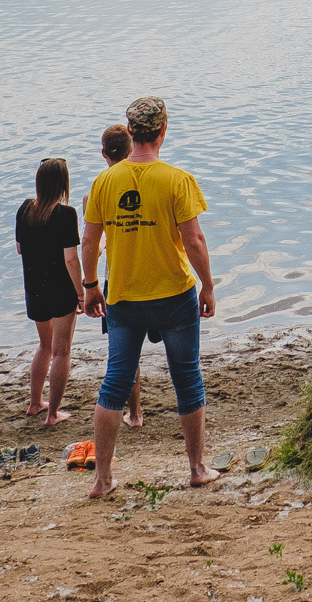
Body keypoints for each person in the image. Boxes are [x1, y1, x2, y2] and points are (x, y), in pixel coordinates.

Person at [80, 97, 218, 497]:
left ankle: (102, 479)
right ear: (162, 132)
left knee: (115, 382)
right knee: (187, 378)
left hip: (123, 296)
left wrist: (90, 287)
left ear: (129, 133)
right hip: (174, 294)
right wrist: (207, 286)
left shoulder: (105, 181)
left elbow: (90, 239)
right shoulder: (177, 179)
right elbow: (193, 239)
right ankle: (197, 468)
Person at [16, 158, 81, 426]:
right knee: (61, 351)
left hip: (34, 289)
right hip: (61, 291)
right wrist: (81, 293)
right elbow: (71, 259)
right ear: (63, 183)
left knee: (44, 346)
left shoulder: (25, 209)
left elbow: (20, 248)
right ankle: (53, 414)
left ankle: (35, 403)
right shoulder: (66, 214)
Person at [93, 124, 144, 429]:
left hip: (118, 281)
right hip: (156, 278)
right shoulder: (149, 179)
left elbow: (93, 244)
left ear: (103, 154)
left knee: (127, 353)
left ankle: (135, 414)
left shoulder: (97, 190)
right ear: (131, 148)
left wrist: (89, 286)